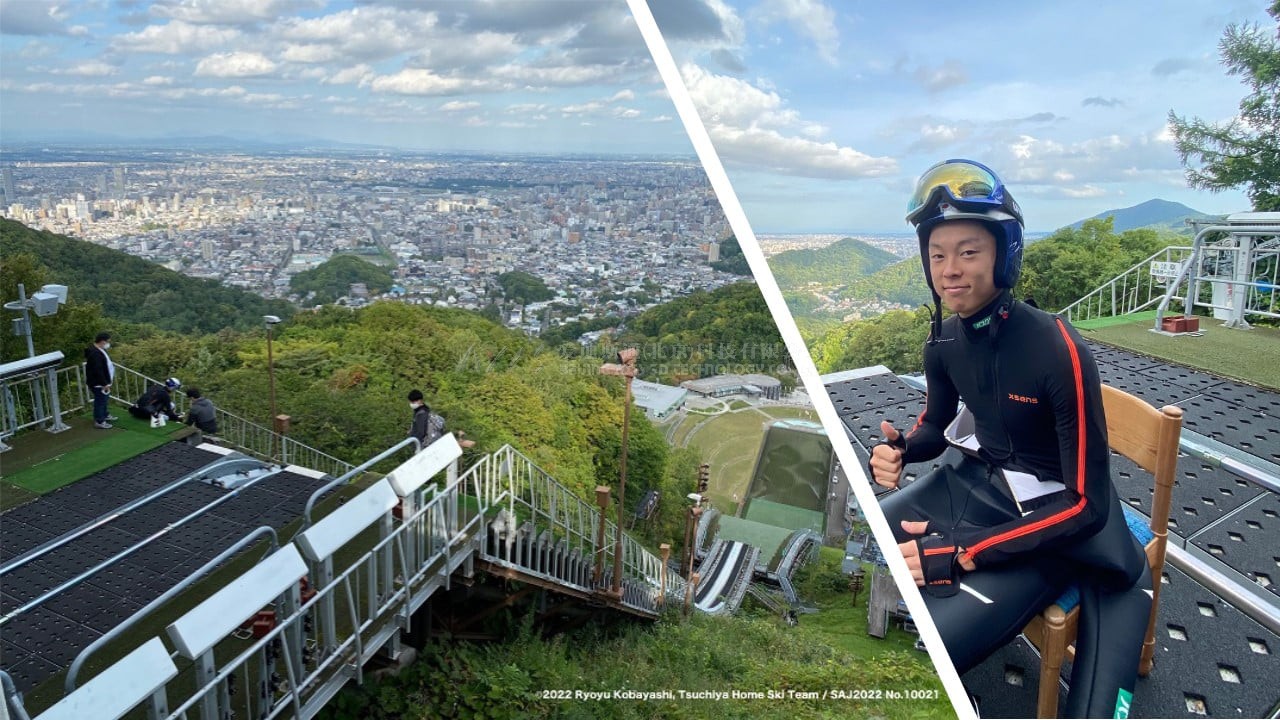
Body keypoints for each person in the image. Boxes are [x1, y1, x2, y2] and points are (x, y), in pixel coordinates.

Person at [868, 159, 1151, 718]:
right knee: (869, 546)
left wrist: (963, 552)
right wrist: (903, 449)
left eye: (969, 252)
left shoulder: (1054, 347)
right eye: (938, 255)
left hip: (1056, 520)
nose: (950, 269)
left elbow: (1088, 506)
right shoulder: (943, 340)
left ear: (1005, 254)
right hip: (979, 483)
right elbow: (936, 426)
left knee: (929, 649)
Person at [84, 332, 116, 429]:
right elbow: (98, 370)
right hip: (99, 383)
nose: (108, 344)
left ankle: (105, 415)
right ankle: (99, 421)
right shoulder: (95, 354)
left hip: (102, 381)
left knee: (104, 399)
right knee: (100, 401)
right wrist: (104, 383)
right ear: (102, 341)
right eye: (107, 342)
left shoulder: (98, 350)